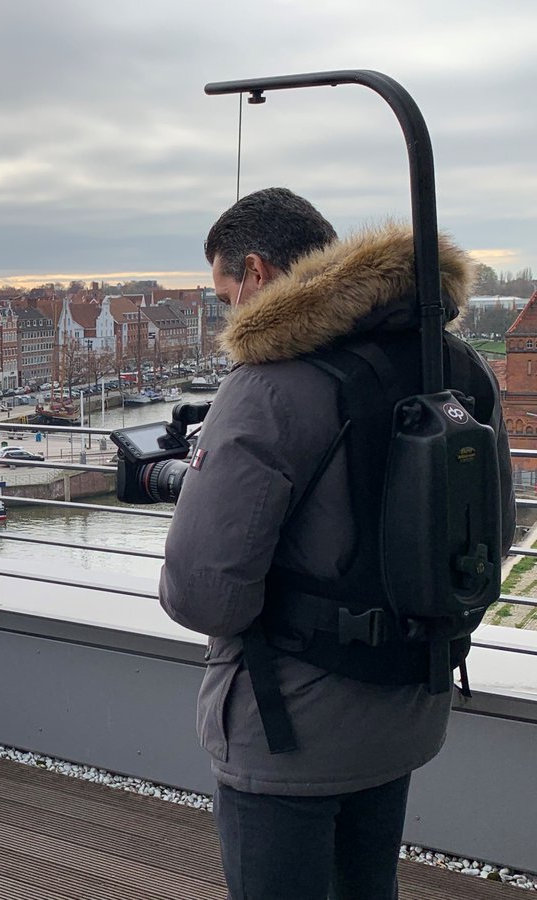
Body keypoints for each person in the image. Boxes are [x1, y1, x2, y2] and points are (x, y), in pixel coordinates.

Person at [159, 188, 514, 899]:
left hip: (289, 729)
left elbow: (203, 594)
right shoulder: (456, 364)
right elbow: (493, 534)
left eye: (227, 294)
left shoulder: (267, 386)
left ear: (257, 273)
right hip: (405, 707)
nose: (230, 313)